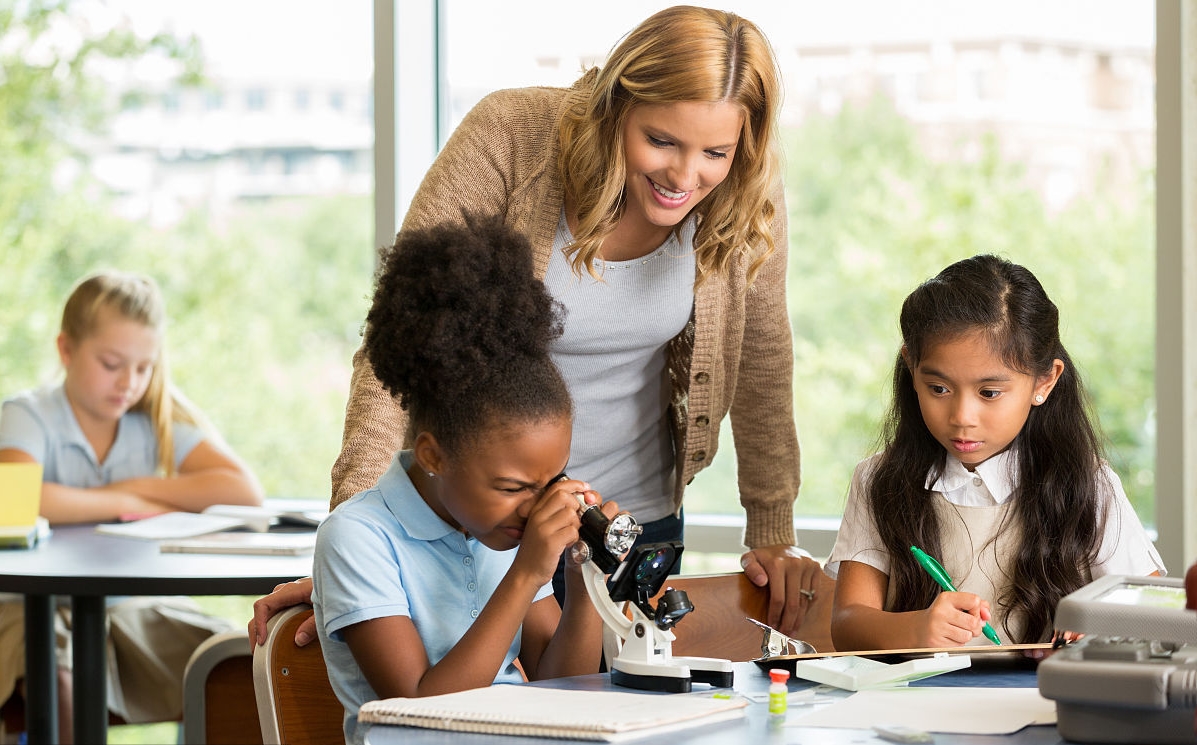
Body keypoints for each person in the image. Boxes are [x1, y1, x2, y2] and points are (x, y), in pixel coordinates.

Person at [251, 4, 820, 649]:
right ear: (616, 108)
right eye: (660, 141)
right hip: (475, 525)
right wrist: (358, 539)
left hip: (626, 528)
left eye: (714, 152)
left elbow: (764, 360)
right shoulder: (510, 138)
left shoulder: (743, 193)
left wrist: (772, 528)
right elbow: (404, 339)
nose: (685, 177)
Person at [312, 215, 618, 745]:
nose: (535, 506)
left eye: (551, 482)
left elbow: (564, 690)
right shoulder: (358, 538)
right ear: (433, 454)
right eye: (512, 487)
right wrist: (525, 574)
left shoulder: (499, 530)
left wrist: (589, 577)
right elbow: (419, 711)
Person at [826, 254, 1165, 652]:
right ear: (910, 366)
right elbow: (848, 624)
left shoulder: (1088, 484)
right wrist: (918, 629)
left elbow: (1152, 610)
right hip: (917, 706)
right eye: (938, 389)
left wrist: (1102, 628)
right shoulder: (878, 480)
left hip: (1039, 701)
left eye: (989, 393)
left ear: (1045, 381)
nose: (962, 417)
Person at [0, 270, 263, 740]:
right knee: (54, 667)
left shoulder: (152, 420)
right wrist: (124, 499)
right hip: (30, 611)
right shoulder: (26, 415)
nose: (129, 382)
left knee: (237, 664)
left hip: (129, 609)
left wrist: (142, 485)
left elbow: (241, 490)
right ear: (66, 350)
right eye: (111, 363)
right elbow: (16, 501)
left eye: (144, 367)